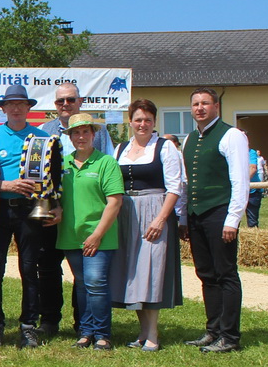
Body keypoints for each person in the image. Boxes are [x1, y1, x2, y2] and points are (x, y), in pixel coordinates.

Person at [38, 82, 112, 336]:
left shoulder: (100, 134)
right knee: (48, 268)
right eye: (60, 101)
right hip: (54, 213)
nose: (65, 105)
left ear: (79, 101)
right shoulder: (43, 131)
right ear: (55, 105)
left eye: (70, 100)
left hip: (87, 214)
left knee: (86, 277)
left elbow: (109, 168)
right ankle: (49, 320)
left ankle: (84, 324)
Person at [110, 100, 183, 352]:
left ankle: (153, 333)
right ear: (130, 121)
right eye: (138, 119)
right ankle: (142, 331)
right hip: (126, 212)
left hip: (154, 210)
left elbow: (175, 187)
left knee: (151, 271)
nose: (143, 124)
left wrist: (161, 218)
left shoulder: (165, 148)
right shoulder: (120, 149)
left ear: (154, 122)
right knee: (134, 271)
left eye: (148, 120)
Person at [180, 87, 248, 353]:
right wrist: (184, 216)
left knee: (226, 274)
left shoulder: (231, 135)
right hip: (197, 214)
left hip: (219, 211)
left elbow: (240, 180)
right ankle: (214, 330)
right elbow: (186, 182)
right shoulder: (189, 139)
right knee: (206, 274)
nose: (199, 108)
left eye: (205, 103)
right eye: (195, 104)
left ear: (216, 107)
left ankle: (230, 336)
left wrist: (233, 219)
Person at [0, 84, 51, 349]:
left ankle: (27, 326)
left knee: (29, 268)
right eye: (11, 104)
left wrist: (50, 206)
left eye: (21, 104)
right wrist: (5, 185)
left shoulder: (41, 137)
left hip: (30, 209)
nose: (16, 108)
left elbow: (50, 177)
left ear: (28, 107)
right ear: (3, 108)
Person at [58, 113, 123, 350]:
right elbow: (55, 197)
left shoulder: (106, 163)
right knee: (82, 284)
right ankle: (85, 332)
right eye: (76, 132)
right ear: (70, 136)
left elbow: (114, 201)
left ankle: (102, 333)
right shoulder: (63, 163)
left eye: (86, 132)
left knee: (96, 283)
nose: (81, 136)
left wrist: (97, 235)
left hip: (99, 236)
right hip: (71, 235)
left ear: (94, 135)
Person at [245, 144, 263, 228]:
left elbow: (253, 168)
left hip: (252, 191)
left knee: (252, 221)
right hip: (236, 190)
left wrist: (242, 183)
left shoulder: (251, 152)